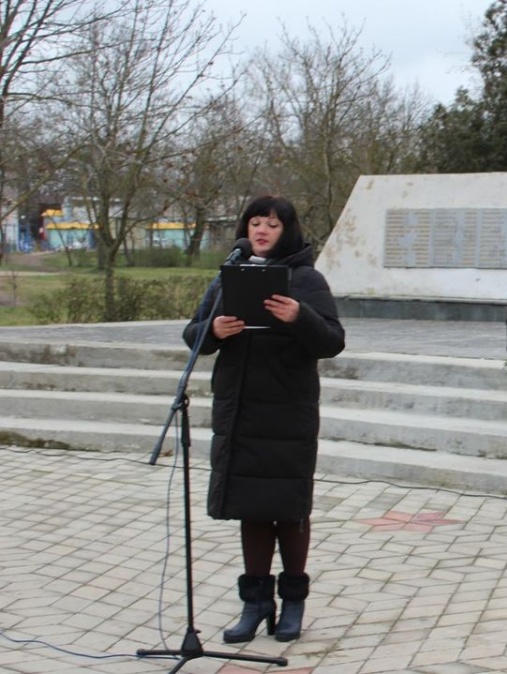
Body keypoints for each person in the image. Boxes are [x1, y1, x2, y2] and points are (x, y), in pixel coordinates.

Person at [182, 195, 345, 643]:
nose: (261, 230)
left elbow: (332, 340)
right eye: (255, 222)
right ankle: (255, 604)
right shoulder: (229, 275)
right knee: (250, 509)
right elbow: (194, 333)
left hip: (287, 414)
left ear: (286, 230)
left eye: (271, 224)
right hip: (241, 411)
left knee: (289, 511)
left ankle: (293, 601)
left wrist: (298, 316)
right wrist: (212, 331)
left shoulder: (306, 279)